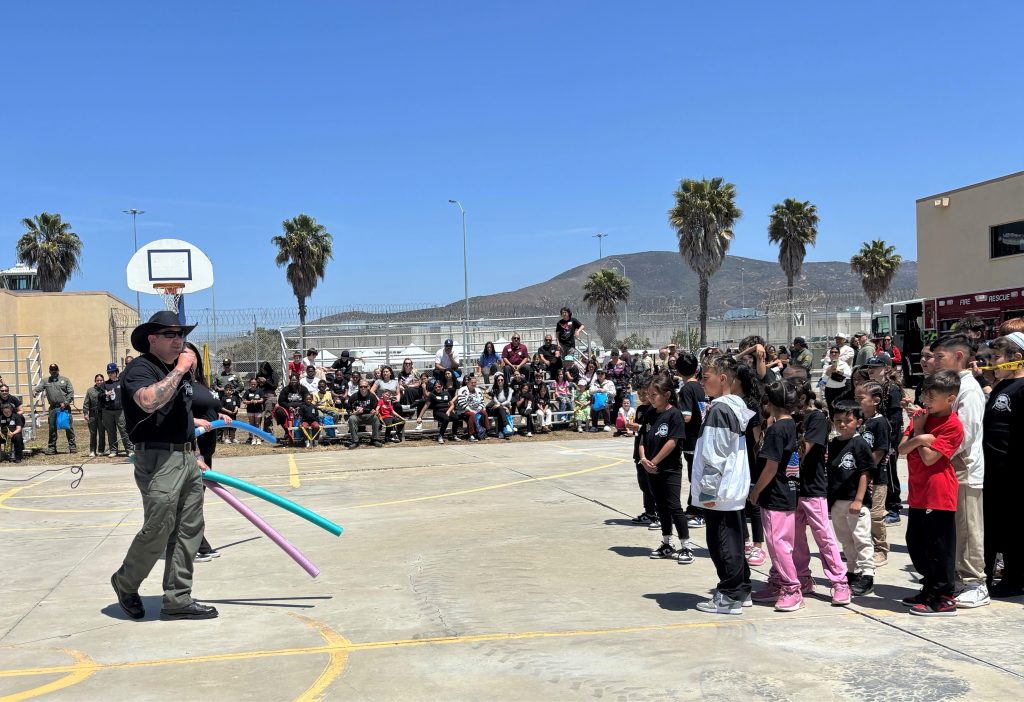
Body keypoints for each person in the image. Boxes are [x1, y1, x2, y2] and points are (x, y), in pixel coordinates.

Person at [110, 311, 218, 621]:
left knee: (189, 529)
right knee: (159, 528)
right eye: (170, 334)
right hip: (157, 458)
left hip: (185, 456)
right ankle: (125, 582)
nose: (178, 340)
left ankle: (177, 598)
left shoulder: (178, 373)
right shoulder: (140, 369)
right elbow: (148, 401)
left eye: (181, 334)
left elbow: (181, 418)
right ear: (152, 339)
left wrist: (196, 454)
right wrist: (182, 369)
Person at [692, 356, 756, 615]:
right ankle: (741, 589)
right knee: (735, 538)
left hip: (720, 490)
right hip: (731, 487)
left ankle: (730, 597)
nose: (702, 382)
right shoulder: (734, 406)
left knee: (722, 542)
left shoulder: (720, 409)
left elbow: (714, 452)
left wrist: (707, 488)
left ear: (723, 379)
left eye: (705, 377)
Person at [899, 370, 965, 616]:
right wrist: (920, 435)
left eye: (933, 396)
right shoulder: (921, 417)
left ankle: (944, 596)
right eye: (925, 394)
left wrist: (920, 435)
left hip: (938, 493)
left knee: (939, 547)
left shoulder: (953, 425)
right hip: (918, 492)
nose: (926, 400)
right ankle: (929, 587)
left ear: (950, 399)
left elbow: (929, 459)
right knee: (916, 543)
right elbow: (902, 449)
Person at [931, 334, 989, 608]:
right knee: (954, 529)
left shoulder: (969, 389)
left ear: (959, 357)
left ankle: (976, 583)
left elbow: (964, 434)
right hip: (949, 468)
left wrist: (937, 453)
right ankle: (956, 579)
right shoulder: (954, 386)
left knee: (968, 529)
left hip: (964, 469)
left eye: (940, 356)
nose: (934, 361)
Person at [791, 380, 850, 605]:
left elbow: (802, 452)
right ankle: (803, 577)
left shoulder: (815, 418)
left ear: (803, 397)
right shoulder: (788, 419)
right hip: (793, 489)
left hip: (813, 489)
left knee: (824, 537)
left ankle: (839, 582)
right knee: (796, 538)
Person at [748, 381, 803, 611]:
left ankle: (792, 588)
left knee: (778, 543)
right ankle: (777, 581)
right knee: (781, 543)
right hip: (787, 492)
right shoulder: (790, 424)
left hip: (775, 494)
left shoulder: (776, 429)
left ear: (770, 403)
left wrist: (756, 490)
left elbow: (771, 466)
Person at [981, 333, 1024, 597]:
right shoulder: (1001, 386)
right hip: (993, 473)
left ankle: (1015, 579)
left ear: (1017, 359)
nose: (993, 364)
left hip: (1012, 474)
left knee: (1013, 528)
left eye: (997, 358)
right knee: (996, 527)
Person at [185, 341, 231, 563]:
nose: (190, 358)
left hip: (207, 449)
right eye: (185, 354)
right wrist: (195, 421)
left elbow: (209, 406)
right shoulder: (180, 385)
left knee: (197, 501)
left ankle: (194, 543)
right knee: (191, 502)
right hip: (192, 450)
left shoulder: (200, 383)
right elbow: (173, 414)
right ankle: (195, 546)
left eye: (193, 355)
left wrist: (219, 415)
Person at [640, 373, 693, 565]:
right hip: (651, 469)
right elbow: (643, 439)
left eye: (655, 394)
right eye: (649, 394)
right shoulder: (649, 414)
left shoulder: (674, 415)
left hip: (669, 469)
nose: (651, 398)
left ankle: (686, 545)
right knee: (660, 506)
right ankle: (666, 542)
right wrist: (644, 459)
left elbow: (672, 441)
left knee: (674, 506)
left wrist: (654, 461)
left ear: (667, 394)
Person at [827, 400, 876, 597]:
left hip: (855, 501)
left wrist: (859, 499)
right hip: (838, 501)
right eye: (838, 420)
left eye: (848, 420)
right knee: (846, 539)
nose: (842, 424)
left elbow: (865, 472)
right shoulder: (833, 444)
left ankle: (868, 574)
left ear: (858, 422)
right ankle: (853, 571)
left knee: (861, 538)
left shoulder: (860, 443)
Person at [855, 381, 891, 569]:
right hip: (860, 478)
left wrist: (866, 470)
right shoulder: (861, 422)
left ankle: (881, 549)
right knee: (862, 515)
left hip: (876, 479)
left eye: (861, 398)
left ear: (875, 400)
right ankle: (864, 547)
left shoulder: (880, 423)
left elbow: (880, 450)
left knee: (876, 516)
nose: (857, 402)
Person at [676, 353, 706, 529]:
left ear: (678, 371)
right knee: (697, 476)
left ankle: (699, 512)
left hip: (692, 440)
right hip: (700, 437)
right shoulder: (700, 387)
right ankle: (693, 507)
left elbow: (686, 417)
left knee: (695, 477)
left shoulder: (687, 389)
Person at [627, 384, 658, 528]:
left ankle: (656, 512)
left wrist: (638, 427)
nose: (642, 397)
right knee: (643, 483)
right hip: (638, 449)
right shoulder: (639, 409)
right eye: (639, 394)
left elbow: (651, 429)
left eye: (645, 394)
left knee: (652, 483)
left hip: (649, 451)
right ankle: (649, 511)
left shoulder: (654, 410)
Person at [35, 363, 76, 455]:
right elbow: (39, 387)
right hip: (53, 408)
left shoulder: (65, 380)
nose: (54, 373)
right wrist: (35, 391)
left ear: (58, 370)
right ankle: (52, 448)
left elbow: (70, 393)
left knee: (68, 427)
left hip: (64, 408)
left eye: (55, 371)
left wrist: (65, 403)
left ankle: (72, 446)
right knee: (52, 429)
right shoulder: (46, 381)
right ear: (49, 371)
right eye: (52, 371)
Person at [101, 363, 134, 457]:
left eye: (112, 372)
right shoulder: (105, 384)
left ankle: (129, 450)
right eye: (108, 373)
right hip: (108, 411)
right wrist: (105, 394)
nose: (110, 374)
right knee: (111, 431)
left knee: (123, 430)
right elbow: (99, 396)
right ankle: (113, 450)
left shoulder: (122, 382)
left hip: (120, 411)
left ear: (116, 372)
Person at [417, 379, 457, 443]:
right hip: (438, 412)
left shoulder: (446, 393)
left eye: (439, 387)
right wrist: (419, 417)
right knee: (446, 419)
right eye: (435, 387)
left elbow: (452, 405)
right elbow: (426, 406)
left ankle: (454, 434)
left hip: (446, 411)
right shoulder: (432, 395)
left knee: (456, 418)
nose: (437, 388)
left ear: (442, 386)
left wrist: (449, 411)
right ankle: (440, 436)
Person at [274, 374, 309, 443]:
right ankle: (287, 432)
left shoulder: (303, 389)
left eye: (295, 380)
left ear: (298, 380)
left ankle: (303, 432)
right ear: (290, 380)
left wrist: (300, 407)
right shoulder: (286, 389)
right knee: (279, 412)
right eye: (292, 380)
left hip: (301, 407)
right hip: (288, 408)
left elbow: (307, 400)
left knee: (308, 410)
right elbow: (281, 401)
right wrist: (289, 407)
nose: (294, 382)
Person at [347, 379, 381, 449]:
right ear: (358, 387)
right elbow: (348, 409)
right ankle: (355, 441)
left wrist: (374, 411)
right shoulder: (354, 396)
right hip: (357, 416)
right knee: (351, 418)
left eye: (365, 386)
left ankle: (374, 439)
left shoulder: (372, 396)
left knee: (375, 418)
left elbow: (376, 408)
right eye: (361, 386)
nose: (363, 388)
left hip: (369, 416)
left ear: (368, 387)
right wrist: (354, 413)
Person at [456, 375, 489, 441]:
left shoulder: (478, 390)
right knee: (472, 414)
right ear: (468, 382)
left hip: (476, 410)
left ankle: (485, 432)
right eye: (472, 382)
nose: (473, 384)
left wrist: (479, 409)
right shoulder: (462, 390)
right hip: (464, 411)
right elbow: (461, 402)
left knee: (484, 412)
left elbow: (482, 401)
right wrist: (470, 410)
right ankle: (471, 435)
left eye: (475, 382)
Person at [822, 345, 852, 414]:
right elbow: (823, 379)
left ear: (839, 354)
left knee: (841, 409)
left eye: (836, 352)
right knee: (831, 410)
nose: (834, 354)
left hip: (841, 390)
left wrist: (839, 371)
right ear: (829, 354)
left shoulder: (843, 364)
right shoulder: (826, 365)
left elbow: (849, 375)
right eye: (832, 352)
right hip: (830, 390)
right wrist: (828, 371)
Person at [83, 374, 107, 457]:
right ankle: (92, 450)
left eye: (101, 380)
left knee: (101, 433)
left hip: (102, 414)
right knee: (93, 433)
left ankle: (101, 450)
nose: (99, 382)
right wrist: (86, 413)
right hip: (93, 415)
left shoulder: (106, 389)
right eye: (97, 380)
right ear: (95, 381)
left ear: (103, 380)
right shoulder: (90, 390)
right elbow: (86, 402)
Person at [486, 374, 514, 439]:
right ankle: (506, 425)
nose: (500, 381)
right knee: (500, 409)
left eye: (502, 379)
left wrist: (502, 406)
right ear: (496, 381)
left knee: (500, 412)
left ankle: (500, 432)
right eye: (498, 380)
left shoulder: (509, 389)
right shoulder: (493, 389)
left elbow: (508, 400)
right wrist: (502, 406)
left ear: (504, 380)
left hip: (503, 409)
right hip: (494, 409)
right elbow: (495, 401)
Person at [242, 378, 266, 443]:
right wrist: (250, 402)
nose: (253, 385)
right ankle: (252, 438)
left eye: (254, 384)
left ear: (257, 384)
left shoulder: (260, 391)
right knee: (251, 424)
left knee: (257, 423)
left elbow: (262, 399)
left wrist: (257, 401)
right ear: (250, 384)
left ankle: (258, 437)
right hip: (250, 410)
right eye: (252, 384)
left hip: (258, 409)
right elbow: (244, 401)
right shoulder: (247, 391)